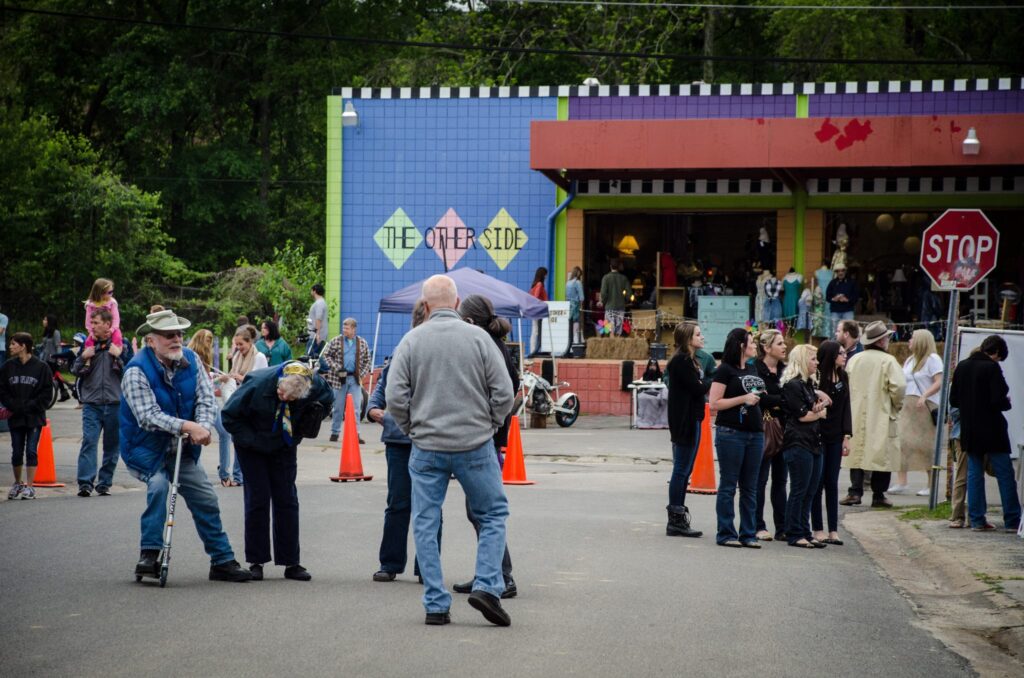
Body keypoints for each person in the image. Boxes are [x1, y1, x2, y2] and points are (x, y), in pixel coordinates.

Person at [386, 274, 514, 627]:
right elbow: (504, 392)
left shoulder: (411, 341)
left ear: (425, 306)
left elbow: (395, 397)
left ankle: (435, 604)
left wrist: (414, 429)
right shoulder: (479, 339)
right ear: (457, 304)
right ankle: (488, 585)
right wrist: (489, 424)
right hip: (474, 443)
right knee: (492, 515)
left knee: (426, 522)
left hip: (427, 446)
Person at [119, 309, 252, 582]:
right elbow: (148, 417)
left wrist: (201, 426)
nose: (177, 339)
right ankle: (149, 555)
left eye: (179, 333)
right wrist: (187, 427)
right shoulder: (135, 370)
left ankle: (222, 561)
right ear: (151, 341)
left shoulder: (190, 360)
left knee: (206, 497)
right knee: (158, 488)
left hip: (182, 449)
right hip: (145, 448)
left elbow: (205, 399)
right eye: (169, 335)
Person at [222, 360, 333, 581]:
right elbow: (229, 416)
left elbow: (327, 402)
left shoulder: (316, 385)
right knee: (258, 499)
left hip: (284, 441)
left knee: (287, 499)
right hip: (252, 444)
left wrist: (309, 421)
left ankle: (292, 562)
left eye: (291, 399)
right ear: (278, 383)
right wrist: (252, 441)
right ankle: (256, 560)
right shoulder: (258, 383)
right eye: (282, 393)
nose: (284, 399)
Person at [453, 294, 519, 597]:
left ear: (469, 320)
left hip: (484, 438)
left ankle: (501, 576)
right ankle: (488, 573)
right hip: (488, 436)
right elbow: (514, 384)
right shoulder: (494, 344)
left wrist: (490, 423)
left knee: (484, 511)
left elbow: (507, 389)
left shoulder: (486, 346)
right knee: (479, 510)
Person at [368, 300, 434, 584]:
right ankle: (391, 563)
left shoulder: (438, 349)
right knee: (399, 502)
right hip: (401, 439)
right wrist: (372, 407)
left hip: (429, 438)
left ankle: (426, 567)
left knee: (427, 505)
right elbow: (383, 385)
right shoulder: (404, 347)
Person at [949, 335, 1021, 533]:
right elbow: (999, 399)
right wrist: (1006, 402)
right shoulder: (991, 368)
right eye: (999, 357)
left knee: (974, 474)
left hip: (970, 429)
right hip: (992, 429)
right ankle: (1012, 520)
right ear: (996, 352)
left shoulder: (962, 366)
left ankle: (977, 520)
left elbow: (954, 399)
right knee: (1005, 474)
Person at [709, 328, 765, 548]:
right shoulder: (724, 370)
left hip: (755, 433)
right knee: (729, 485)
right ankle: (726, 533)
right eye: (751, 342)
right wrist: (743, 398)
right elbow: (714, 403)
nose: (754, 346)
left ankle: (748, 533)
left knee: (750, 487)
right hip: (731, 433)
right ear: (742, 345)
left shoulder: (753, 368)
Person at [840, 321, 905, 508]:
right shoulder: (889, 361)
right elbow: (899, 387)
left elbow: (845, 383)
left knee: (858, 451)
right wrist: (896, 405)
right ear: (882, 340)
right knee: (882, 454)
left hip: (856, 410)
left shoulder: (855, 359)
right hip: (881, 412)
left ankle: (855, 491)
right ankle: (878, 494)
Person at [780, 344, 828, 549]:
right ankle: (794, 532)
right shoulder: (793, 385)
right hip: (798, 442)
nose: (817, 363)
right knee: (799, 489)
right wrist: (819, 413)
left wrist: (817, 410)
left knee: (811, 490)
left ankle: (805, 531)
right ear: (801, 360)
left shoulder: (808, 384)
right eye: (813, 359)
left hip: (813, 441)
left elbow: (813, 411)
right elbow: (803, 415)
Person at [71, 309, 124, 497]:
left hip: (114, 402)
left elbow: (131, 371)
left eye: (96, 323)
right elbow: (75, 370)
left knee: (112, 445)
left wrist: (119, 355)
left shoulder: (120, 344)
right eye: (91, 323)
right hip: (92, 403)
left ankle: (104, 483)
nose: (91, 327)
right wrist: (83, 357)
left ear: (108, 324)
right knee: (89, 441)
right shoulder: (88, 345)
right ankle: (85, 483)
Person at [665, 322, 709, 539]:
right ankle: (675, 518)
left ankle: (679, 515)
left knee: (685, 470)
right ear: (687, 339)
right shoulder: (681, 361)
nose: (702, 337)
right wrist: (711, 381)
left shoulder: (691, 360)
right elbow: (698, 388)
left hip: (693, 418)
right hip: (685, 420)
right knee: (681, 469)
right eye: (698, 334)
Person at [214, 325, 268, 486]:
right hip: (238, 402)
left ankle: (241, 475)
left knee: (246, 440)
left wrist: (240, 377)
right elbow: (233, 376)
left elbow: (262, 381)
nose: (238, 348)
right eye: (236, 345)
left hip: (252, 404)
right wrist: (227, 378)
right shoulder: (237, 357)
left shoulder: (259, 357)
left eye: (241, 345)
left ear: (250, 342)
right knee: (238, 438)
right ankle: (239, 476)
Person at [1, 333, 52, 500]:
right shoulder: (8, 367)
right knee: (16, 451)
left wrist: (31, 406)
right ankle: (18, 483)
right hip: (15, 416)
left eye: (14, 344)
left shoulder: (41, 367)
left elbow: (46, 393)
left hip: (34, 417)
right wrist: (12, 404)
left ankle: (30, 486)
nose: (10, 347)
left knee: (31, 450)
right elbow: (2, 390)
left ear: (23, 346)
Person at [893, 330, 942, 496]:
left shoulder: (932, 359)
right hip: (908, 406)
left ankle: (930, 484)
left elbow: (939, 381)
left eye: (913, 338)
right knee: (903, 443)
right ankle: (902, 481)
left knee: (925, 445)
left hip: (925, 407)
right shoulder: (909, 360)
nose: (909, 340)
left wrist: (925, 395)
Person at [186, 329, 237, 492]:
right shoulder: (195, 356)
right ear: (202, 341)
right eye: (208, 341)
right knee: (204, 435)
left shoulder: (199, 356)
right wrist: (217, 379)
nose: (210, 345)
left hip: (209, 401)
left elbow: (206, 375)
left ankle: (223, 472)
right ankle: (218, 473)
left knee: (224, 433)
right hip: (204, 402)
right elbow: (200, 380)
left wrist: (215, 375)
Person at [812, 341, 852, 545]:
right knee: (817, 483)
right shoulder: (818, 377)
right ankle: (817, 527)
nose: (844, 356)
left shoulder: (843, 376)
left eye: (845, 353)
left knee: (832, 482)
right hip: (819, 432)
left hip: (836, 434)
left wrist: (846, 436)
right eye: (841, 353)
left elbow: (847, 406)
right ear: (830, 355)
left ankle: (833, 529)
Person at [753, 329, 788, 541]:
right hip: (764, 428)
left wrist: (776, 399)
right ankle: (758, 524)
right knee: (760, 480)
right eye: (780, 343)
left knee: (781, 481)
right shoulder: (755, 368)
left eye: (784, 343)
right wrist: (781, 399)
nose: (784, 346)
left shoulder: (787, 370)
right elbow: (761, 398)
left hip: (785, 429)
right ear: (767, 348)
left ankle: (782, 527)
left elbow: (792, 395)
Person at [322, 318, 370, 444]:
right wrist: (336, 367)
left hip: (354, 379)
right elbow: (326, 355)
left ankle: (356, 434)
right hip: (339, 379)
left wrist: (362, 374)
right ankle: (335, 432)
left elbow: (367, 361)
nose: (344, 330)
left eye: (347, 328)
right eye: (343, 328)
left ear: (354, 329)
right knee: (338, 407)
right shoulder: (336, 340)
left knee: (356, 408)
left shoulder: (362, 343)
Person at [83, 278, 123, 348]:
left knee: (118, 337)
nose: (112, 294)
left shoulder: (112, 303)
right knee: (88, 342)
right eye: (110, 292)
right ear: (101, 293)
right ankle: (89, 357)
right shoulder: (90, 305)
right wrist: (91, 333)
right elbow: (88, 321)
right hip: (97, 330)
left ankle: (117, 356)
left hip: (110, 328)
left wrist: (112, 330)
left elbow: (116, 319)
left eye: (112, 291)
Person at [40, 314, 71, 402]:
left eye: (45, 320)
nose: (43, 321)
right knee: (55, 376)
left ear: (50, 322)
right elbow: (44, 344)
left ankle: (51, 395)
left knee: (49, 377)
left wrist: (59, 357)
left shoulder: (55, 332)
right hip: (45, 358)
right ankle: (64, 393)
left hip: (52, 358)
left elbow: (58, 346)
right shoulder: (47, 332)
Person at [946, 407, 967, 529]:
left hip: (967, 432)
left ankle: (975, 517)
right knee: (962, 475)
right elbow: (954, 411)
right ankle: (957, 515)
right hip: (962, 432)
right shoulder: (959, 387)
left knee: (970, 476)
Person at [600, 259, 631, 337]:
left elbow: (603, 293)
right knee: (618, 331)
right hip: (620, 307)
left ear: (610, 266)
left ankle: (610, 346)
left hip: (609, 308)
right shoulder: (624, 278)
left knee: (609, 330)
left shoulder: (606, 278)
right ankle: (617, 346)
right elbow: (629, 293)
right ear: (619, 267)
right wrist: (626, 301)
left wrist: (603, 302)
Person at [825, 264, 858, 330]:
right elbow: (827, 297)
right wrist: (834, 299)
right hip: (835, 311)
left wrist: (847, 300)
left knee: (850, 330)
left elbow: (856, 296)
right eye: (838, 271)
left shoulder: (851, 282)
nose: (840, 273)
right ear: (836, 272)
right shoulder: (832, 283)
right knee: (835, 331)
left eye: (842, 271)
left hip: (848, 311)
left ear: (845, 271)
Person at [528, 267, 548, 355]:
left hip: (535, 310)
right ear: (543, 274)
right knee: (536, 331)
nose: (546, 276)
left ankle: (534, 349)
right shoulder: (539, 284)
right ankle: (534, 350)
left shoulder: (535, 284)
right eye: (545, 274)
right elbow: (536, 297)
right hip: (538, 311)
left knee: (535, 330)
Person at [306, 284, 328, 357]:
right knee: (316, 357)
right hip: (315, 335)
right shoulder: (320, 302)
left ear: (314, 291)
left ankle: (330, 368)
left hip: (316, 336)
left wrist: (317, 335)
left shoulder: (319, 303)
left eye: (311, 290)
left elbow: (318, 319)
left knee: (309, 357)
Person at [566, 266, 584, 346]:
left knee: (570, 323)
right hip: (576, 305)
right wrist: (581, 304)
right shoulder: (577, 282)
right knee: (576, 323)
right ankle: (575, 342)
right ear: (578, 273)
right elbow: (581, 297)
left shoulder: (568, 282)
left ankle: (569, 342)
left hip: (568, 305)